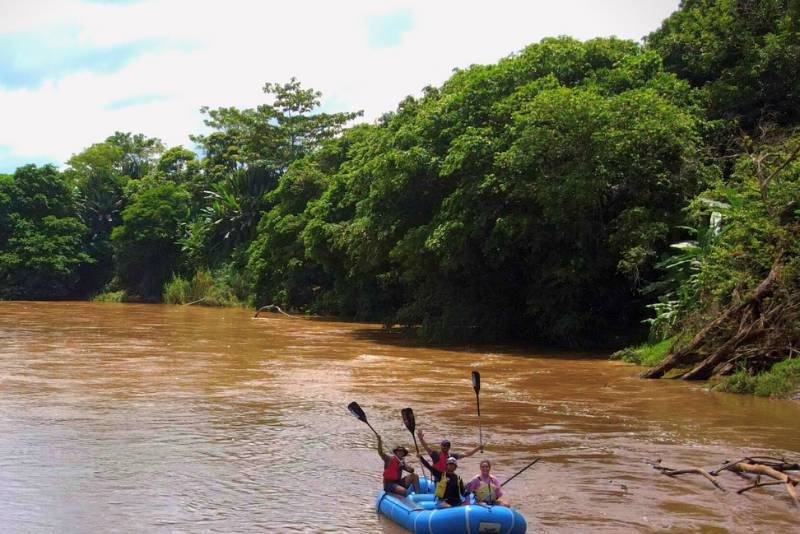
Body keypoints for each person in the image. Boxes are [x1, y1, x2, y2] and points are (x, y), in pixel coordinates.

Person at [417, 429, 481, 480]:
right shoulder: (435, 454)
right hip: (438, 477)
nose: (446, 447)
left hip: (449, 477)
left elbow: (466, 454)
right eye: (444, 445)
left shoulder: (452, 456)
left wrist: (478, 448)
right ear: (441, 446)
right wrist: (421, 439)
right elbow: (426, 447)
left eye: (448, 446)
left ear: (449, 447)